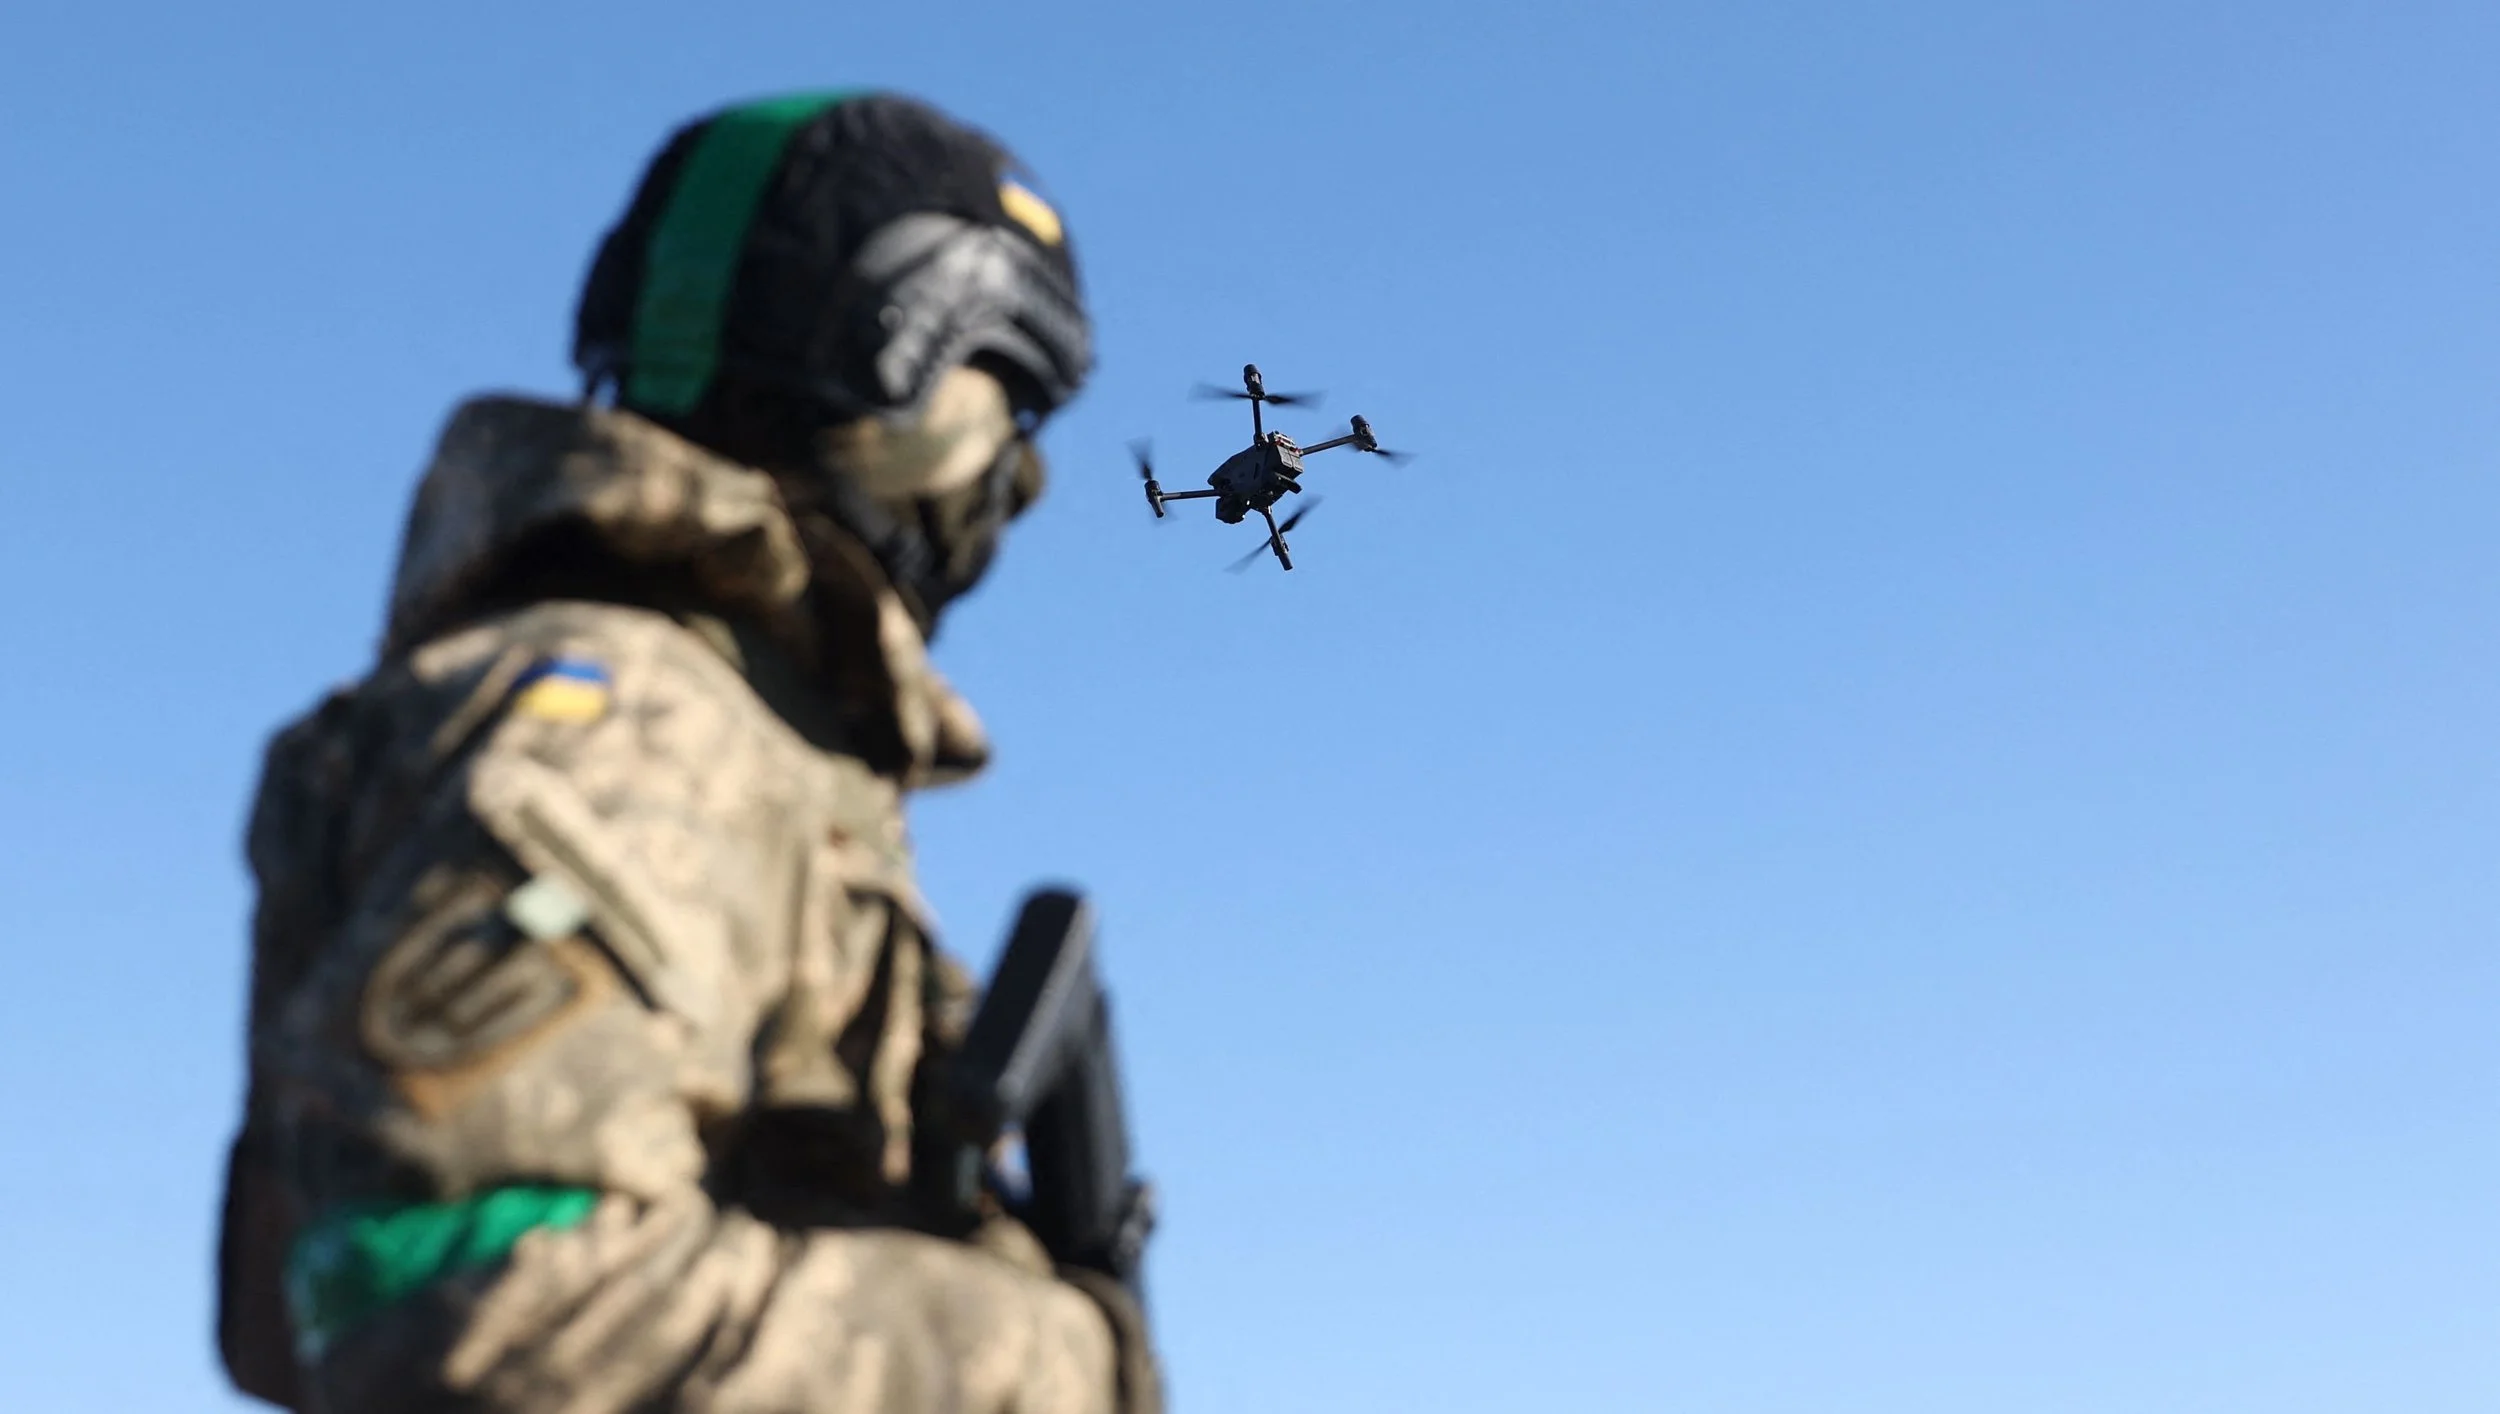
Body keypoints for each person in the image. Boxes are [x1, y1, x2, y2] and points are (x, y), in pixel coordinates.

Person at [215, 90, 1160, 1414]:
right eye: (992, 407)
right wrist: (1054, 1361)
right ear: (884, 367)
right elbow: (458, 1303)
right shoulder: (639, 720)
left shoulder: (713, 731)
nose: (1013, 486)